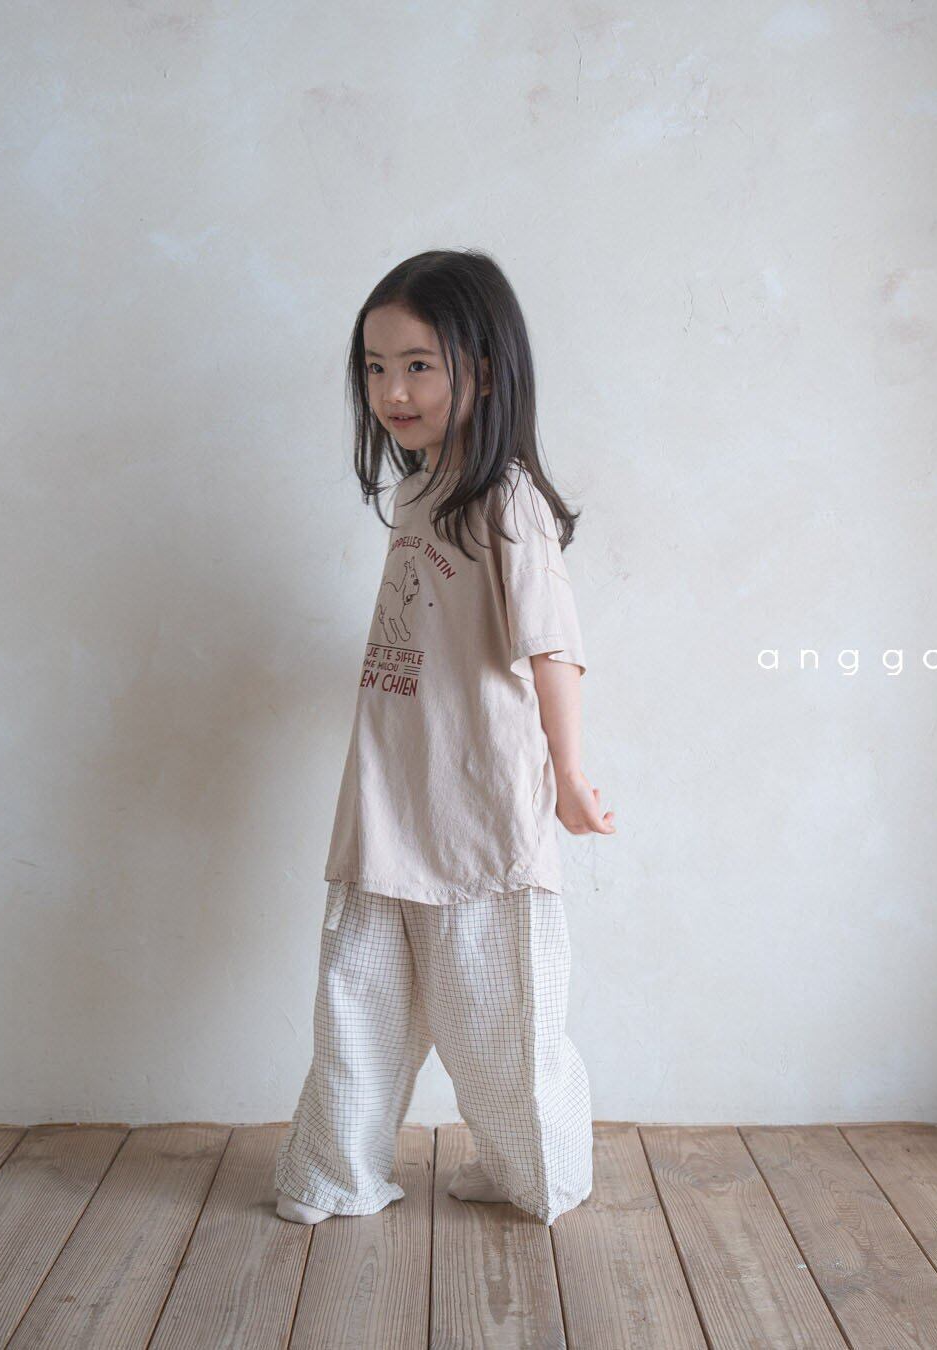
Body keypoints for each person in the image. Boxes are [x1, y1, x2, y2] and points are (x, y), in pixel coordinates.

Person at [274, 249, 616, 1228]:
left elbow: (552, 647)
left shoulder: (508, 503)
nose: (393, 391)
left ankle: (537, 1173)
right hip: (387, 799)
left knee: (500, 1012)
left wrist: (569, 775)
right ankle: (335, 1171)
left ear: (487, 372)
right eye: (376, 367)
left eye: (419, 365)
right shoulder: (423, 491)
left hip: (477, 811)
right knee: (356, 1001)